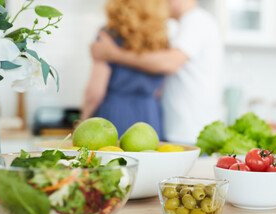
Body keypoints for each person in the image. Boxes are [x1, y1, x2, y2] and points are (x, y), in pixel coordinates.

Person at [91, 0, 223, 144]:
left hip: (187, 131)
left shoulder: (196, 21)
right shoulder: (173, 30)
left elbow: (171, 63)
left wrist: (114, 54)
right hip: (165, 123)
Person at [82, 0, 169, 139]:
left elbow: (95, 92)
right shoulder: (161, 39)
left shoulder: (108, 36)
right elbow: (159, 89)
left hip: (114, 113)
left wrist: (82, 121)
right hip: (150, 115)